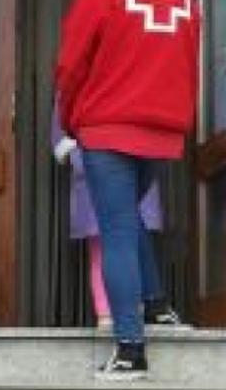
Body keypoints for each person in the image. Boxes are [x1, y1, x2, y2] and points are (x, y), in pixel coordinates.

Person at [55, 0, 199, 381]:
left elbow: (71, 66)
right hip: (161, 131)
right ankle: (157, 306)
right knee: (129, 218)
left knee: (115, 229)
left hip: (108, 129)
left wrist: (72, 120)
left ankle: (131, 350)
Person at [50, 100, 167, 329]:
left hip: (133, 159)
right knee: (102, 250)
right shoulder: (81, 79)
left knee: (134, 247)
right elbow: (62, 117)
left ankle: (136, 312)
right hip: (97, 167)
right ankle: (106, 314)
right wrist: (78, 154)